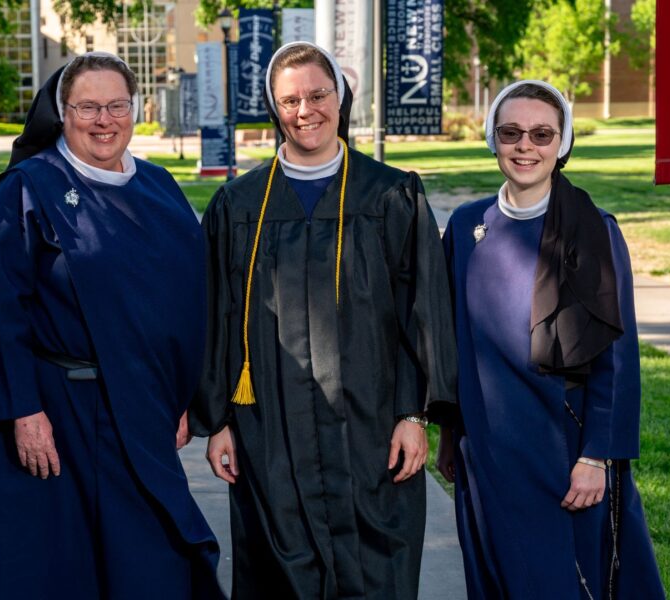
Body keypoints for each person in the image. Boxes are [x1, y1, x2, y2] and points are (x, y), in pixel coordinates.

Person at [191, 41, 458, 599]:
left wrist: (414, 413)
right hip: (270, 428)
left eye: (317, 94)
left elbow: (423, 312)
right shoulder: (238, 205)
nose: (305, 110)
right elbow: (215, 316)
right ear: (273, 106)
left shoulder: (389, 194)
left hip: (372, 426)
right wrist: (217, 421)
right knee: (280, 568)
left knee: (375, 568)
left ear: (341, 97)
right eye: (290, 100)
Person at [0, 52, 221, 599]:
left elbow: (186, 299)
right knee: (62, 566)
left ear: (134, 108)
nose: (104, 120)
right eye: (88, 107)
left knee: (155, 559)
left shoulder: (158, 185)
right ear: (62, 112)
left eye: (117, 105)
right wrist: (23, 410)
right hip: (54, 409)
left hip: (139, 402)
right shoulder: (29, 188)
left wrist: (181, 397)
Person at [437, 80, 665, 599]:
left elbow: (618, 358)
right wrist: (450, 433)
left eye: (542, 134)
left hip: (563, 449)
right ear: (493, 139)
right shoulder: (468, 225)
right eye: (511, 132)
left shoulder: (595, 230)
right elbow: (455, 340)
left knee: (564, 581)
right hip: (487, 449)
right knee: (497, 578)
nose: (525, 146)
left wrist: (596, 457)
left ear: (561, 144)